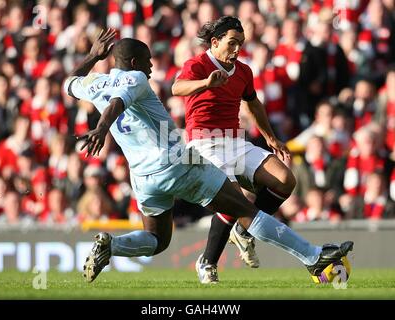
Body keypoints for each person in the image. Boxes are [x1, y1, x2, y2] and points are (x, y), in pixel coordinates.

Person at [63, 28, 353, 284]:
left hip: (142, 176)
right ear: (136, 63)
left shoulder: (94, 83)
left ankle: (110, 245)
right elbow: (118, 102)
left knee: (157, 240)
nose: (152, 66)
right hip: (176, 160)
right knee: (245, 210)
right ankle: (314, 256)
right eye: (148, 60)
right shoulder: (136, 78)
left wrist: (92, 56)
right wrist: (101, 128)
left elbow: (70, 83)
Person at [172, 16, 295, 283]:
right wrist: (206, 83)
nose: (237, 49)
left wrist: (271, 138)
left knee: (285, 180)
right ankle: (208, 262)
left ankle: (244, 232)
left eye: (241, 43)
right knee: (233, 198)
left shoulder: (243, 71)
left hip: (235, 142)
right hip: (204, 143)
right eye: (232, 43)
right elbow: (177, 87)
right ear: (215, 42)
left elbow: (253, 103)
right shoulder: (197, 64)